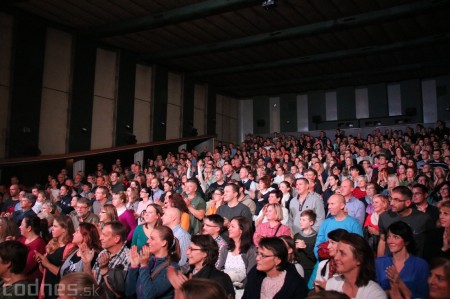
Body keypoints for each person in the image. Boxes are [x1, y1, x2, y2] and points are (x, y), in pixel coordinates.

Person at [167, 234, 235, 298]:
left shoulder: (219, 279)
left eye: (192, 249)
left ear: (205, 254)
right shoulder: (186, 272)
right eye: (188, 248)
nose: (187, 252)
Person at [375, 221, 429, 299]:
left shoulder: (421, 265)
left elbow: (423, 296)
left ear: (406, 241)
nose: (390, 241)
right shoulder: (379, 263)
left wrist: (399, 282)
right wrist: (388, 293)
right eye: (389, 237)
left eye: (396, 237)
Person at [242, 237, 308, 299]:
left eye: (263, 255)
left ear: (278, 260)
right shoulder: (254, 274)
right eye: (258, 253)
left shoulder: (296, 284)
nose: (257, 258)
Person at [125, 225, 181, 299]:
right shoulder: (148, 261)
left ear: (163, 243)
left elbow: (149, 295)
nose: (148, 241)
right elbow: (129, 292)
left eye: (152, 239)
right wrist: (134, 266)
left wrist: (144, 266)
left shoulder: (172, 268)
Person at [325, 233, 386, 299]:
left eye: (343, 254)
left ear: (359, 259)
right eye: (337, 252)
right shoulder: (332, 284)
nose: (336, 258)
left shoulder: (374, 294)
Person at [377, 186, 432, 258]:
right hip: (389, 263)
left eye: (396, 200)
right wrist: (379, 262)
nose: (391, 203)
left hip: (414, 265)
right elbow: (382, 240)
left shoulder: (423, 219)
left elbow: (431, 245)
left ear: (408, 202)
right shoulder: (384, 217)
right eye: (391, 198)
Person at [34, 215, 76, 299]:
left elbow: (65, 274)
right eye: (52, 225)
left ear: (64, 229)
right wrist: (41, 263)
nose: (52, 229)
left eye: (55, 226)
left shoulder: (70, 247)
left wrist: (47, 263)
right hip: (47, 286)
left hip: (59, 289)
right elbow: (45, 270)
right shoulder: (52, 243)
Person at [91, 221, 130, 299]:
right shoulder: (103, 252)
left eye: (104, 235)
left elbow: (118, 294)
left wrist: (105, 270)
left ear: (116, 239)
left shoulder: (128, 258)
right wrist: (86, 263)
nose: (100, 238)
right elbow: (92, 280)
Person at [223, 216, 257, 297]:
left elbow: (251, 275)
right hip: (224, 289)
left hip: (242, 292)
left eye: (232, 226)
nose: (229, 229)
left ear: (241, 230)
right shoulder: (225, 248)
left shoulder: (251, 251)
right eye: (229, 226)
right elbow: (219, 268)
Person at [18, 216, 47, 285]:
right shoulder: (21, 239)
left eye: (22, 225)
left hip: (30, 284)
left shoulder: (39, 244)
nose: (19, 227)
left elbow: (26, 267)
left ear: (29, 228)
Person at [294, 209, 317, 283]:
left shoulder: (316, 237)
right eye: (300, 219)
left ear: (311, 222)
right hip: (297, 267)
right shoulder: (297, 235)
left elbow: (315, 256)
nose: (300, 222)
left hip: (309, 269)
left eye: (304, 220)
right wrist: (295, 248)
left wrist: (305, 247)